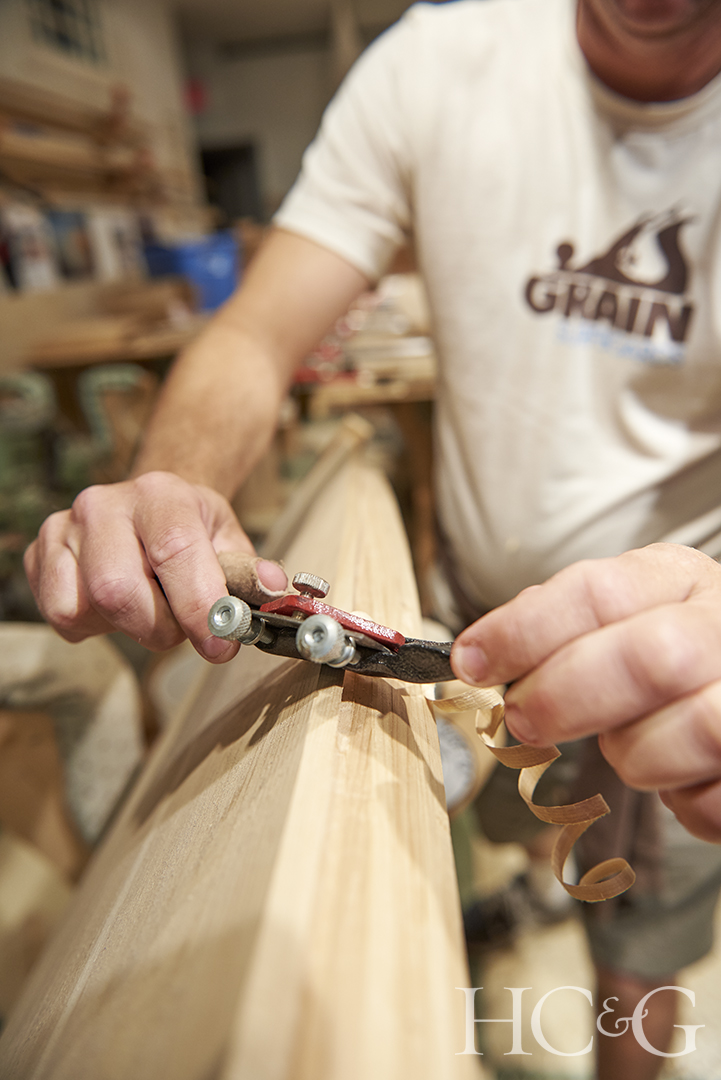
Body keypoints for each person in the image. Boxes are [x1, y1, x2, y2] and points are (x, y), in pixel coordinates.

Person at [22, 0, 721, 1073]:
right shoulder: (438, 64)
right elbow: (256, 334)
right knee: (477, 840)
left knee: (642, 950)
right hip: (473, 611)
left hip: (681, 646)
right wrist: (171, 485)